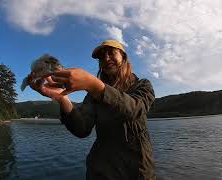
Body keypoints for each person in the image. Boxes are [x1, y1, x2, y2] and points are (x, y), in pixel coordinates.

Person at [29, 40, 156, 180]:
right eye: (101, 56)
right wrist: (62, 98)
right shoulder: (93, 95)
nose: (106, 58)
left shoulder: (143, 85)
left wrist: (93, 85)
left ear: (124, 57)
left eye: (111, 52)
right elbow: (82, 129)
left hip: (137, 172)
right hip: (101, 172)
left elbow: (135, 109)